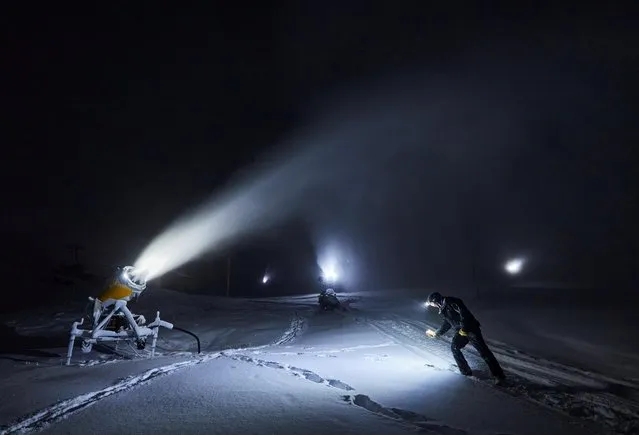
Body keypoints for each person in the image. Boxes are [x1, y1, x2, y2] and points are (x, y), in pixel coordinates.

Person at [425, 291, 505, 381]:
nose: (434, 306)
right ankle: (465, 372)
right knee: (455, 347)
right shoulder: (443, 308)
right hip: (461, 331)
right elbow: (447, 323)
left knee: (484, 352)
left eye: (433, 304)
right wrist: (438, 333)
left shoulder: (452, 302)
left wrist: (464, 329)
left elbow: (465, 314)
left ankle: (499, 376)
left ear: (436, 301)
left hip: (471, 329)